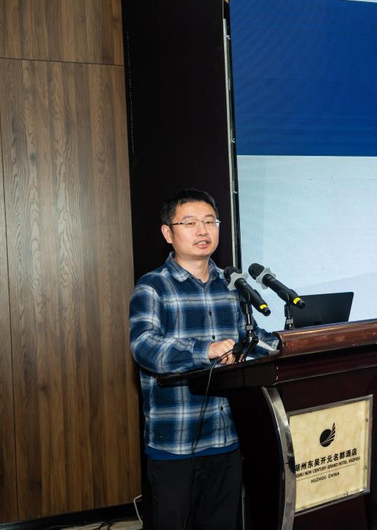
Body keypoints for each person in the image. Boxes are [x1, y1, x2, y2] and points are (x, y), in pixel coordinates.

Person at [129, 188, 278, 530]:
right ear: (168, 233)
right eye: (190, 222)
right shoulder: (152, 287)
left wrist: (288, 344)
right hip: (175, 443)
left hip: (227, 437)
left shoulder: (232, 285)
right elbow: (145, 347)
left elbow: (250, 339)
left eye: (210, 221)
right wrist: (204, 350)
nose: (202, 230)